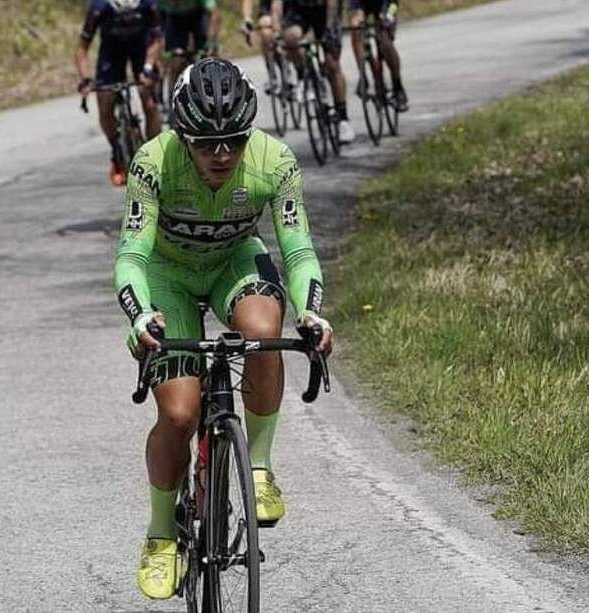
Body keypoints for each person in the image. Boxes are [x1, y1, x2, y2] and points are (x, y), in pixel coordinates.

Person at [114, 58, 334, 599]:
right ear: (182, 136)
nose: (221, 155)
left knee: (264, 327)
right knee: (181, 411)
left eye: (233, 140)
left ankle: (257, 467)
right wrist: (140, 314)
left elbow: (298, 249)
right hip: (167, 275)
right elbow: (131, 257)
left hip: (233, 261)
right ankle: (162, 534)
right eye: (206, 143)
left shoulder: (275, 160)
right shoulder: (152, 161)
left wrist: (313, 311)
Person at [76, 0, 164, 186]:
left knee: (148, 100)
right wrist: (85, 79)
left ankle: (156, 154)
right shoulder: (99, 7)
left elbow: (157, 39)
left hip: (142, 50)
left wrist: (148, 68)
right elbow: (82, 48)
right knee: (105, 105)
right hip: (111, 53)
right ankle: (116, 151)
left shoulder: (148, 4)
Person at [278, 0, 356, 143]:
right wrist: (277, 31)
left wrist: (329, 30)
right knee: (290, 39)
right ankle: (304, 77)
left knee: (332, 64)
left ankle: (342, 118)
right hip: (299, 8)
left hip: (326, 8)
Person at [349, 0, 408, 111]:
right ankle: (363, 76)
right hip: (361, 3)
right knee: (355, 29)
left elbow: (393, 4)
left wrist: (389, 16)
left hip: (387, 3)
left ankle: (398, 88)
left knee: (384, 39)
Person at [159, 0, 222, 93]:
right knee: (177, 61)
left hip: (198, 14)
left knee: (208, 56)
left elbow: (215, 15)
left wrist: (211, 42)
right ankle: (176, 91)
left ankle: (217, 86)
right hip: (174, 18)